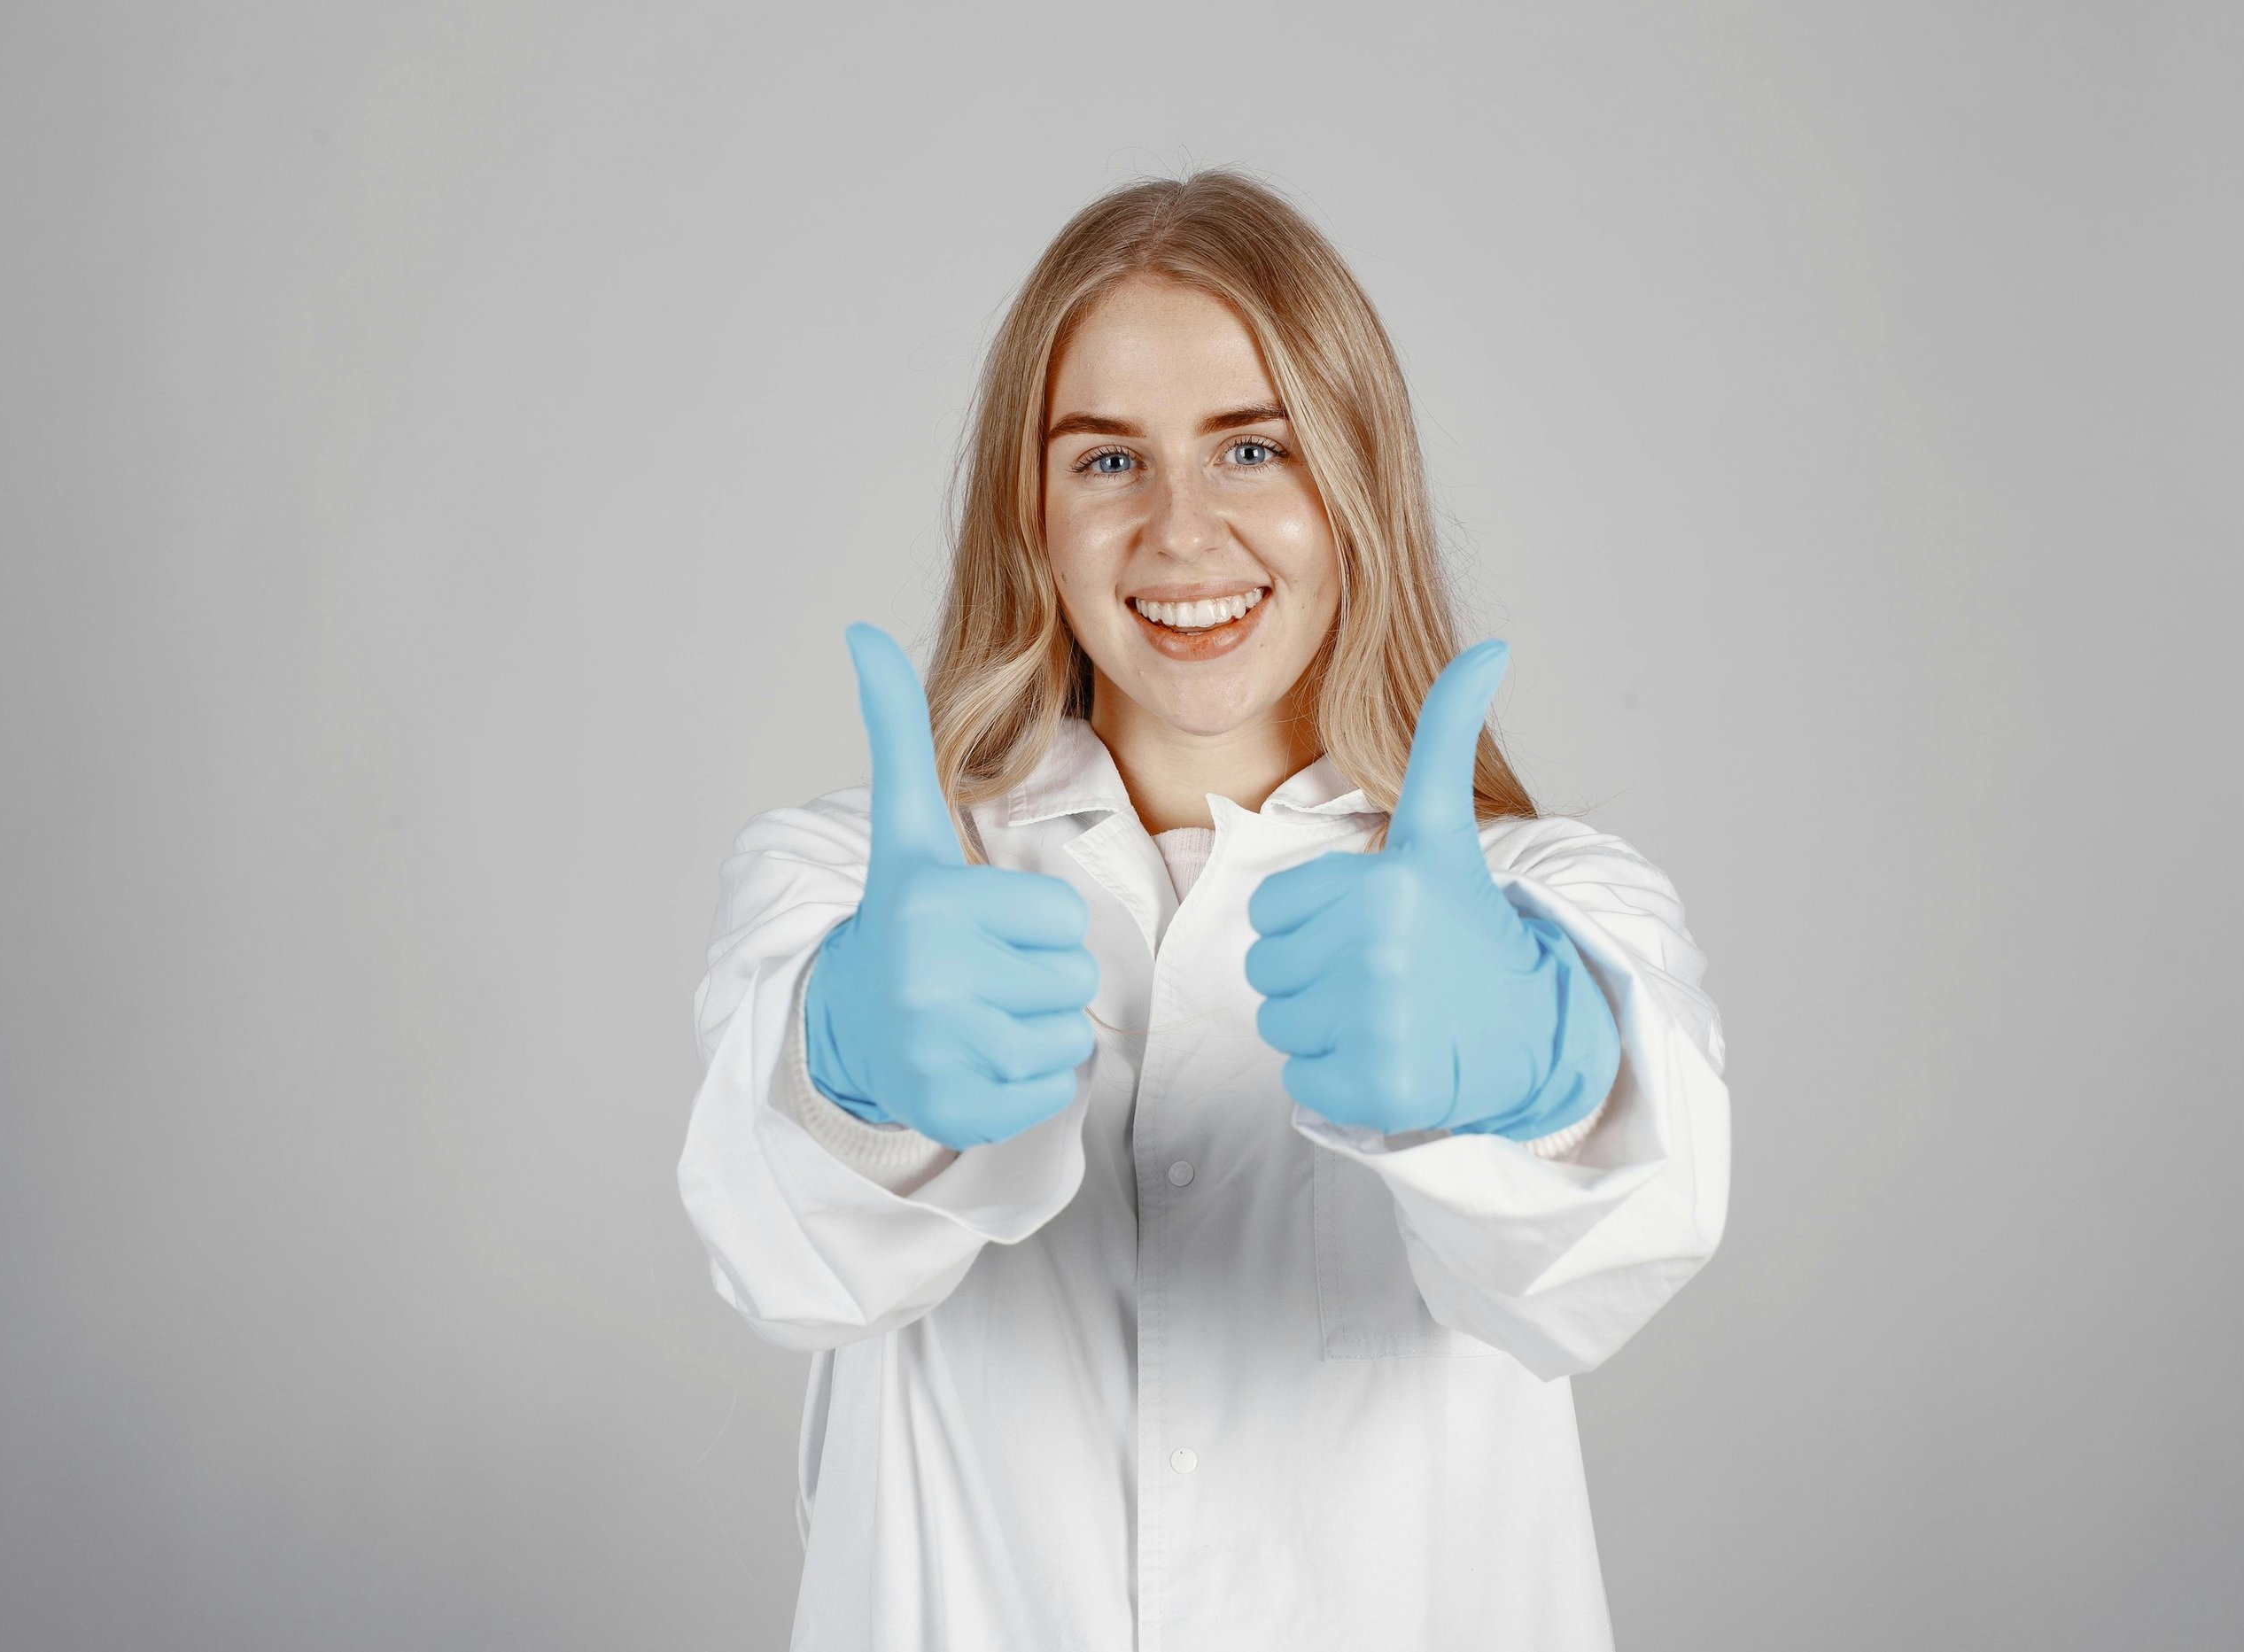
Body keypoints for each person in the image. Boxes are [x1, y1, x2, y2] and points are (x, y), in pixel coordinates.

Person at [678, 168, 1730, 1652]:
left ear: (1352, 484)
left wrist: (1534, 1066)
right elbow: (782, 1259)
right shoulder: (843, 888)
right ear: (1029, 513)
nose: (1180, 530)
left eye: (1253, 447)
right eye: (1107, 462)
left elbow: (1599, 1266)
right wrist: (848, 1060)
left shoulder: (1543, 902)